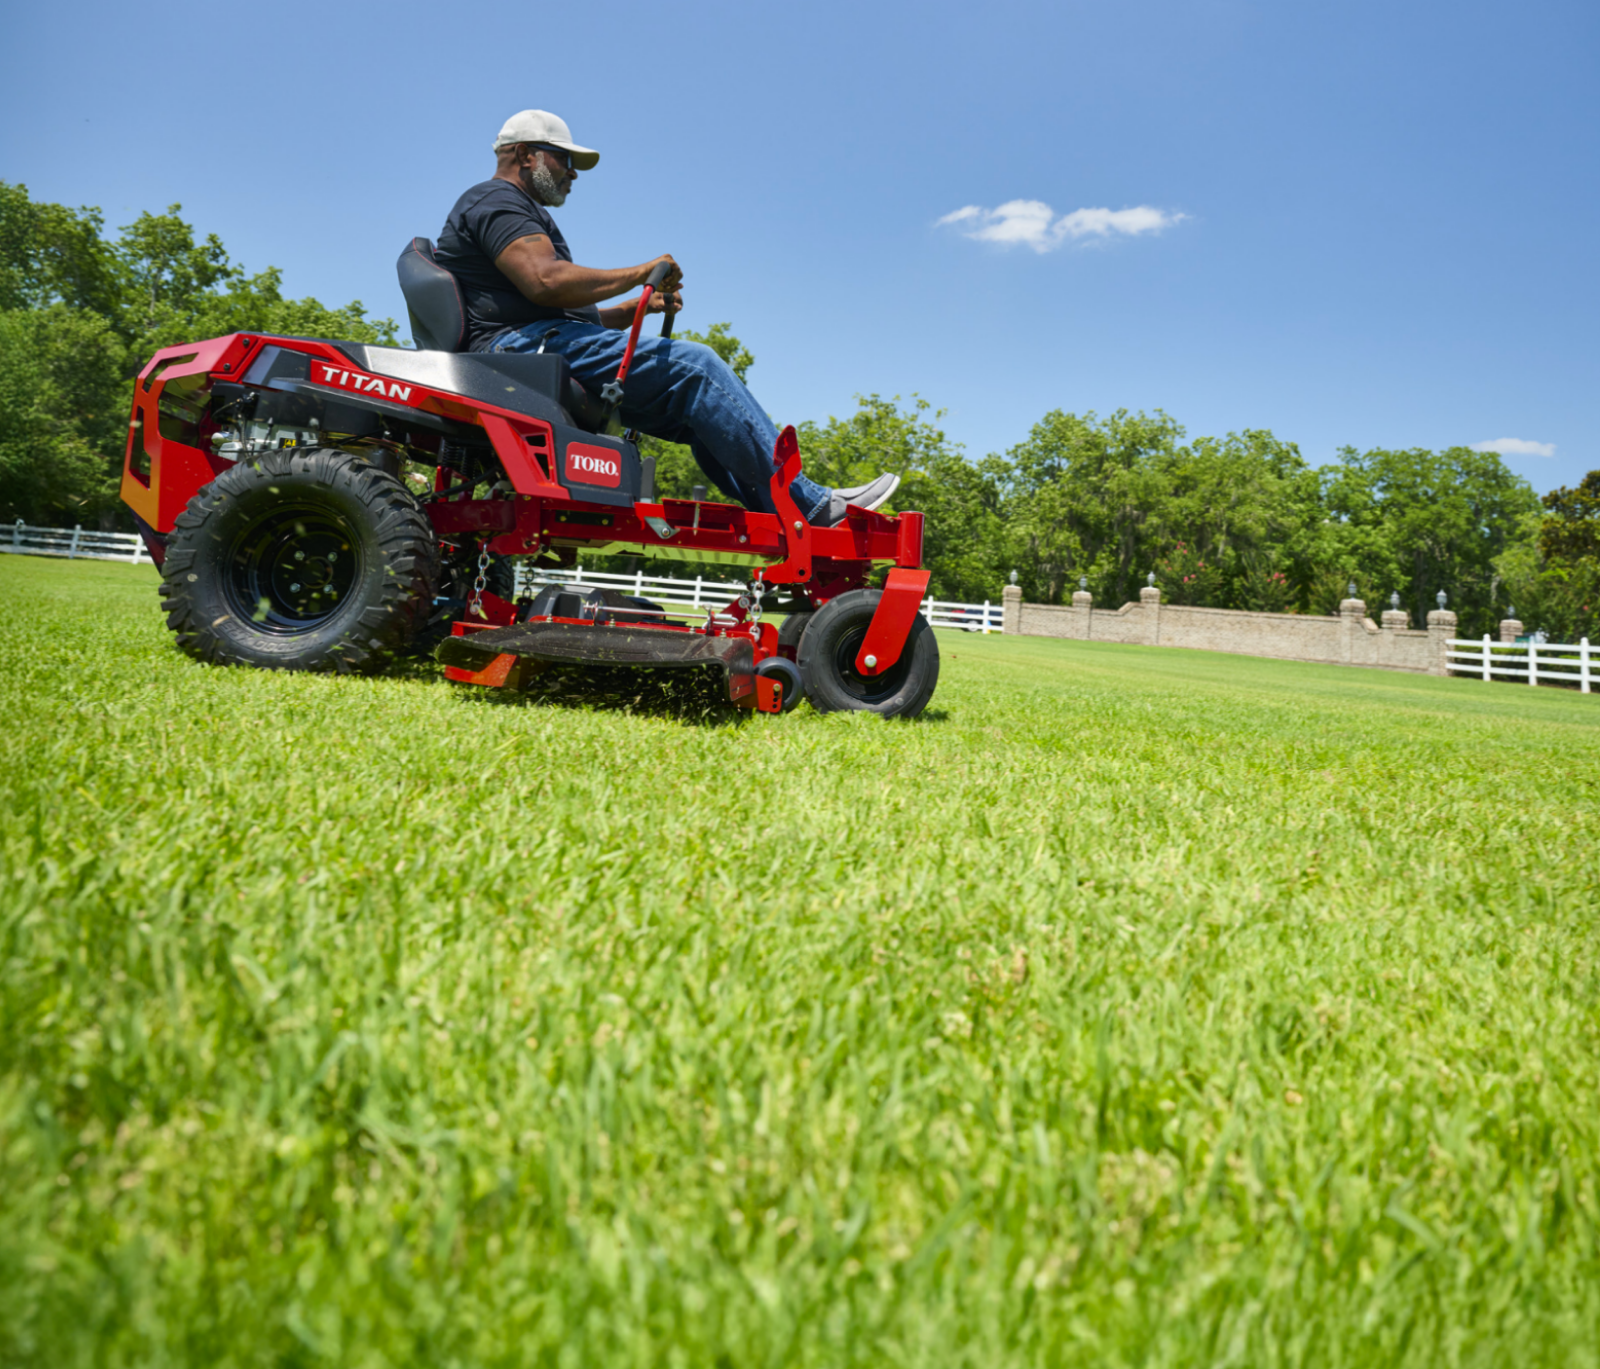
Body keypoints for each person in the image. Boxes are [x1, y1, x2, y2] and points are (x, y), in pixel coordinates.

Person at [433, 110, 899, 525]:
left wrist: (636, 308)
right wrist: (641, 272)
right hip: (518, 347)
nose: (572, 173)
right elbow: (546, 281)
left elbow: (561, 311)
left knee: (696, 412)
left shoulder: (510, 208)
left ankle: (782, 515)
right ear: (524, 154)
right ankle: (810, 506)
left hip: (534, 340)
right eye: (564, 158)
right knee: (698, 369)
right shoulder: (497, 201)